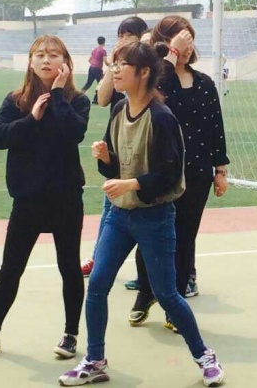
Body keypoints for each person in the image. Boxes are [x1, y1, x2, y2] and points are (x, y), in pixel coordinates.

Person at [58, 39, 224, 387]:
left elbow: (170, 173)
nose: (114, 70)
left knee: (167, 294)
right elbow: (116, 168)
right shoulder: (120, 109)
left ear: (144, 72)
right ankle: (95, 360)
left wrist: (131, 183)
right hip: (119, 216)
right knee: (98, 285)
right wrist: (106, 159)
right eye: (113, 64)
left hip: (154, 217)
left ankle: (204, 356)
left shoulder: (161, 117)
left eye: (122, 64)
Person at [0, 36, 90, 358]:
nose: (46, 60)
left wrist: (57, 95)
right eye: (39, 55)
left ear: (65, 62)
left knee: (69, 267)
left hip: (65, 199)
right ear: (30, 61)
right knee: (11, 267)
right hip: (27, 200)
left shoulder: (77, 100)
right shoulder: (16, 100)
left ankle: (70, 334)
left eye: (53, 55)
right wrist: (31, 119)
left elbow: (75, 132)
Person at [128, 15, 229, 329]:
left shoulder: (205, 83)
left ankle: (175, 304)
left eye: (189, 40)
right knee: (150, 236)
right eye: (178, 40)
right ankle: (146, 292)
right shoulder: (156, 79)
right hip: (160, 171)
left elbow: (215, 127)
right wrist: (169, 55)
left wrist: (220, 169)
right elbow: (154, 91)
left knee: (185, 238)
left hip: (196, 173)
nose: (185, 46)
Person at [80, 16, 149, 280]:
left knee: (146, 207)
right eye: (120, 35)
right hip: (117, 142)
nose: (123, 40)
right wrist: (113, 63)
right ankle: (99, 259)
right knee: (111, 202)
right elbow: (102, 98)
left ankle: (148, 274)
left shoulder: (144, 68)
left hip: (141, 142)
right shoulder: (118, 68)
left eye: (129, 35)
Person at [82, 36, 108, 103]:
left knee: (88, 83)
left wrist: (93, 64)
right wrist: (111, 65)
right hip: (98, 69)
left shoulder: (94, 49)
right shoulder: (103, 51)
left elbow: (89, 60)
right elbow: (105, 62)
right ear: (104, 42)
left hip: (91, 68)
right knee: (100, 84)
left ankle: (79, 95)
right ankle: (96, 99)